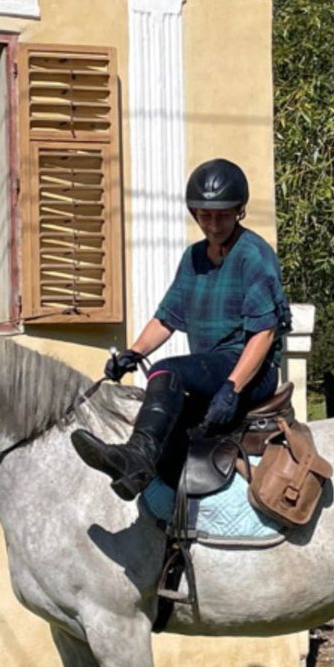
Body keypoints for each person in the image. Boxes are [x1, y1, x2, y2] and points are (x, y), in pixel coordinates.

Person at [71, 158, 291, 501]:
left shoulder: (255, 256)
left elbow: (264, 333)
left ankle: (136, 458)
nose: (214, 224)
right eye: (205, 216)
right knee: (174, 427)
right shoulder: (193, 257)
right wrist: (133, 353)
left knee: (166, 371)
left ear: (239, 211)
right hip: (213, 365)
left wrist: (233, 388)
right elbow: (167, 319)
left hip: (251, 369)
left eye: (222, 215)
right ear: (194, 214)